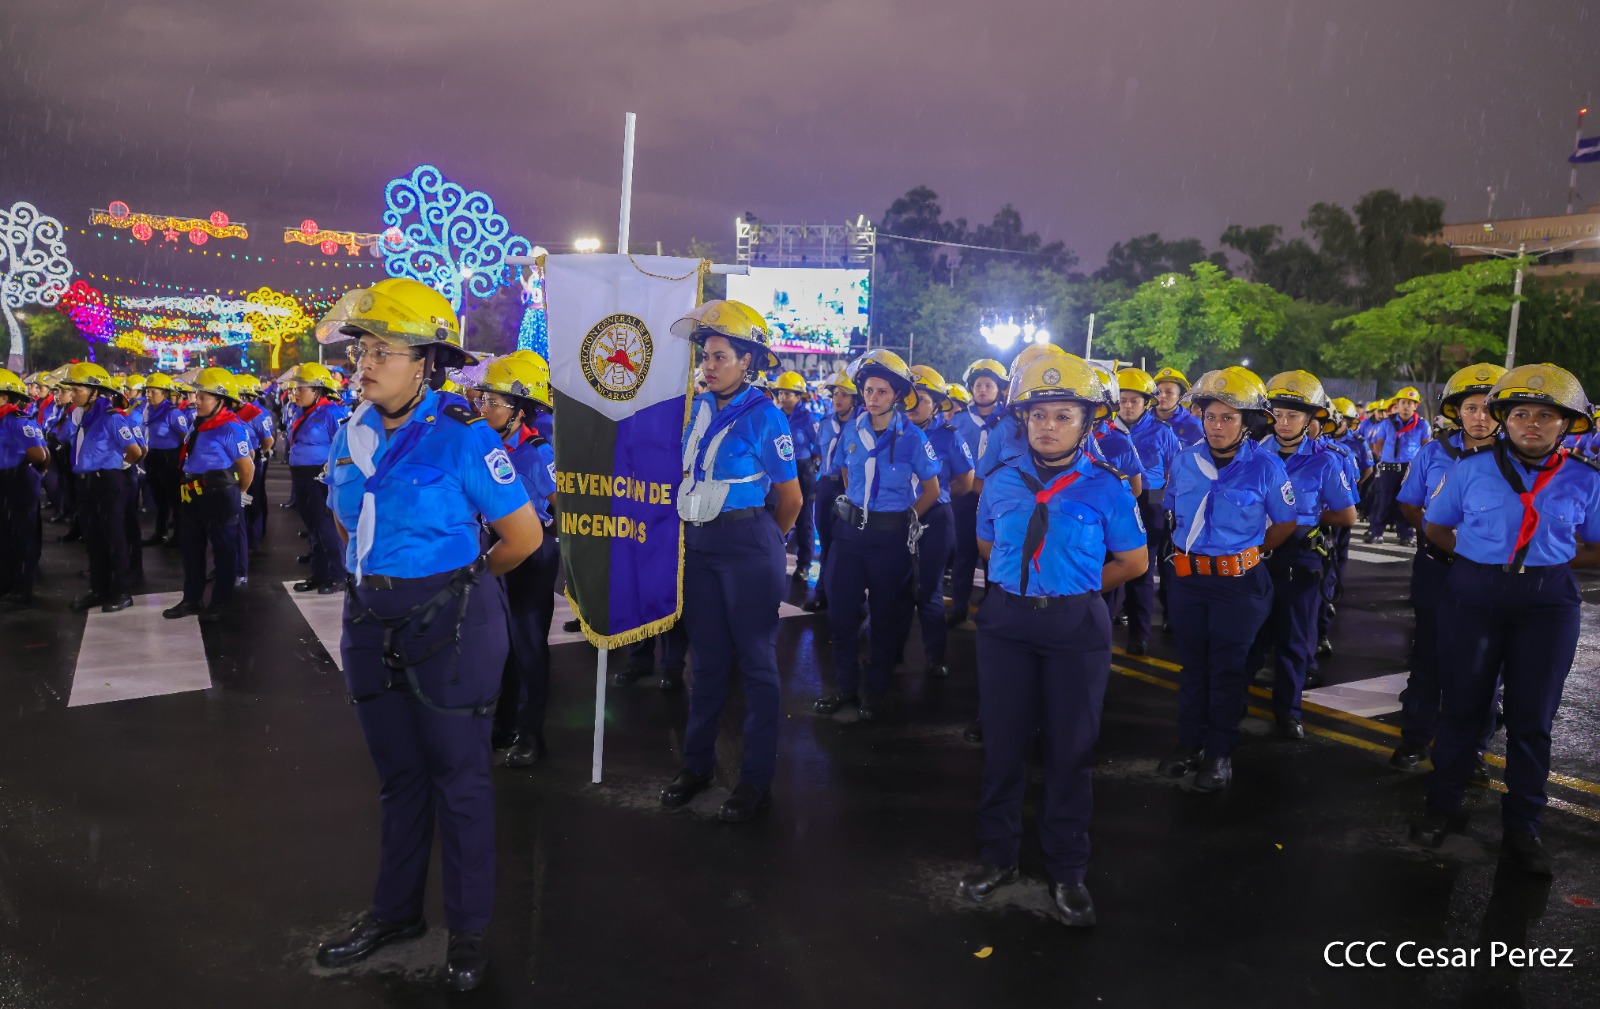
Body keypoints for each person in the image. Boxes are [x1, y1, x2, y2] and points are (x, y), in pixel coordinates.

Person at [311, 278, 540, 991]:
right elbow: (347, 521)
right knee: (398, 777)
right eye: (362, 351)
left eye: (383, 351)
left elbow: (523, 538)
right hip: (368, 619)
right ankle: (396, 912)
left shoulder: (465, 436)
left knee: (460, 780)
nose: (365, 363)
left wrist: (457, 583)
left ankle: (468, 930)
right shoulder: (350, 433)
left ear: (426, 364)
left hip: (451, 626)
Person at [956, 354, 1147, 926]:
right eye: (1038, 414)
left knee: (1070, 752)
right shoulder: (1001, 481)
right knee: (1003, 747)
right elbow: (988, 544)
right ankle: (998, 857)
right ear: (1023, 419)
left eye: (1063, 415)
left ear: (1087, 423)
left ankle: (1067, 870)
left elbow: (1134, 562)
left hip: (1075, 627)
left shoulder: (1107, 487)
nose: (1048, 425)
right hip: (1006, 625)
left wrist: (1076, 587)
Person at [1411, 363, 1600, 876]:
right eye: (1520, 414)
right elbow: (1436, 527)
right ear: (1505, 419)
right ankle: (1441, 808)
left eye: (1545, 415)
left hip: (1548, 603)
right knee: (1462, 708)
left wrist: (1546, 562)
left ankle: (1523, 828)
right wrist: (1480, 560)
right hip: (1474, 596)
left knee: (1532, 718)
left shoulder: (1586, 478)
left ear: (1567, 424)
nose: (1531, 424)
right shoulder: (1469, 470)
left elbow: (1597, 544)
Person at [661, 299, 800, 822]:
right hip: (698, 547)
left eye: (720, 357)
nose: (709, 366)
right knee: (707, 662)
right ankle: (696, 766)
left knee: (758, 665)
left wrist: (764, 544)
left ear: (748, 362)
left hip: (747, 546)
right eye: (706, 357)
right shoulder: (695, 408)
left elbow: (791, 500)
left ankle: (755, 782)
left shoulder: (766, 416)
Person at [1156, 367, 1297, 791]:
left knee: (1227, 670)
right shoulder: (1185, 460)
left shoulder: (1267, 467)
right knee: (1193, 667)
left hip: (1239, 587)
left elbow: (1285, 523)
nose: (1216, 426)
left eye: (1228, 418)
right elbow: (1171, 511)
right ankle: (1189, 743)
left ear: (1247, 423)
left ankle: (1219, 751)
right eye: (1210, 416)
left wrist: (1248, 553)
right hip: (1188, 581)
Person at [1389, 363, 1507, 772]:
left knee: (1485, 664)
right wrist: (1443, 538)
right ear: (1456, 411)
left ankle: (1473, 749)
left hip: (1490, 574)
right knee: (1428, 656)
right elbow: (1410, 503)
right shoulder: (1433, 451)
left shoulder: (1518, 457)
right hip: (1437, 568)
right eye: (1471, 408)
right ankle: (1415, 738)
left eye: (1489, 408)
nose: (1480, 417)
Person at [813, 349, 940, 721]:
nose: (872, 397)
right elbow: (847, 474)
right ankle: (845, 688)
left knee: (884, 618)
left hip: (889, 540)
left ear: (897, 395)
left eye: (882, 391)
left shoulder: (913, 437)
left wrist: (905, 519)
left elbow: (931, 490)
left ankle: (875, 692)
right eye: (868, 390)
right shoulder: (851, 430)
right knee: (841, 616)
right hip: (849, 536)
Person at [1246, 371, 1357, 738]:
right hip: (1253, 557)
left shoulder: (1326, 461)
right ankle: (1231, 707)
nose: (1283, 421)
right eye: (1277, 413)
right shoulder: (1250, 453)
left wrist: (1299, 517)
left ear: (1311, 418)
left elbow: (1347, 516)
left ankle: (1289, 712)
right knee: (1248, 637)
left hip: (1298, 558)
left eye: (1293, 415)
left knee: (1294, 641)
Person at [475, 354, 561, 769]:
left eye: (494, 402)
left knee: (527, 645)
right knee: (500, 643)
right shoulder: (483, 444)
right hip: (494, 545)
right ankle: (504, 722)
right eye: (483, 400)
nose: (484, 408)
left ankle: (530, 734)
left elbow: (564, 505)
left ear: (520, 410)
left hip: (532, 552)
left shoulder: (537, 453)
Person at [161, 369, 253, 623]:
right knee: (191, 550)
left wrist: (238, 493)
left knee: (224, 551)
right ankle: (191, 599)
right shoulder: (198, 422)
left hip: (219, 495)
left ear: (221, 401)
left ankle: (220, 602)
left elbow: (247, 468)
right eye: (196, 395)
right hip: (193, 494)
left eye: (203, 397)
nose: (196, 401)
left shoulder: (231, 428)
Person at [904, 365, 975, 678]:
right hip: (894, 519)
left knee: (928, 590)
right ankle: (888, 652)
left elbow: (965, 481)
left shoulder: (949, 437)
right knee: (892, 587)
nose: (914, 404)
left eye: (922, 399)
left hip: (934, 519)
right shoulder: (888, 432)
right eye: (910, 397)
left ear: (935, 405)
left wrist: (936, 496)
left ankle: (935, 656)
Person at [61, 363, 143, 613]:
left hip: (107, 482)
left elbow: (135, 451)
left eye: (77, 390)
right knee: (93, 538)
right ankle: (99, 589)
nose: (72, 394)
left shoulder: (112, 418)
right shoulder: (83, 416)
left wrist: (116, 465)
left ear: (95, 392)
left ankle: (121, 591)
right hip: (86, 482)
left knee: (114, 537)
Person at [1115, 367, 1182, 653]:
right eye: (1122, 400)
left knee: (1142, 570)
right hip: (1112, 505)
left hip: (1149, 506)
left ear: (1146, 403)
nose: (1127, 406)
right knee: (1108, 564)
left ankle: (1139, 635)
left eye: (1134, 400)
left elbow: (1176, 472)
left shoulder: (1163, 433)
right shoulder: (1103, 430)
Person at [948, 358, 1009, 626]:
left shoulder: (1010, 420)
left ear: (999, 389)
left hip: (998, 497)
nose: (982, 390)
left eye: (988, 385)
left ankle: (993, 607)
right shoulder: (959, 420)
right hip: (965, 496)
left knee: (995, 554)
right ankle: (958, 608)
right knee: (964, 553)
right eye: (978, 385)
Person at [285, 363, 349, 594]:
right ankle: (318, 574)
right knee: (312, 527)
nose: (296, 393)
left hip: (321, 477)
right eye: (295, 389)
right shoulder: (301, 412)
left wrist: (335, 474)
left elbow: (346, 446)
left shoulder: (332, 413)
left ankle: (338, 575)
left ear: (318, 391)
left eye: (302, 389)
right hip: (301, 476)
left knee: (326, 526)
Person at [803, 371, 860, 613]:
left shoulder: (863, 425)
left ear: (854, 399)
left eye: (844, 395)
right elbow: (817, 452)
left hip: (851, 488)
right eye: (836, 394)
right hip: (827, 485)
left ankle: (854, 600)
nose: (838, 399)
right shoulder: (825, 423)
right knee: (826, 542)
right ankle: (822, 594)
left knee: (848, 545)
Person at [0, 368, 49, 606]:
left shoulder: (17, 420)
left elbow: (40, 454)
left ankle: (23, 587)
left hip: (17, 479)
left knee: (22, 535)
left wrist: (26, 471)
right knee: (4, 534)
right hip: (5, 480)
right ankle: (6, 581)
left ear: (3, 397)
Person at [770, 370, 820, 579]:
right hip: (779, 471)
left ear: (799, 396)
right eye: (780, 393)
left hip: (802, 470)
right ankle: (775, 559)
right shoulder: (774, 415)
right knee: (777, 514)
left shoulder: (809, 418)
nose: (783, 397)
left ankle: (804, 564)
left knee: (804, 518)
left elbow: (819, 445)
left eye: (788, 393)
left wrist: (811, 464)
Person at [1367, 387, 1431, 545]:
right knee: (1383, 501)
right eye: (1403, 402)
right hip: (1389, 468)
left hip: (1410, 469)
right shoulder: (1387, 423)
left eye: (1410, 403)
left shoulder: (1422, 425)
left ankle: (1406, 535)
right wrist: (1385, 458)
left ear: (1416, 405)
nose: (1406, 406)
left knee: (1407, 503)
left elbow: (1426, 447)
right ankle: (1376, 532)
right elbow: (1378, 444)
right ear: (1398, 404)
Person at [141, 373, 190, 546]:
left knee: (175, 499)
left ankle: (179, 535)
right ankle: (160, 532)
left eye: (153, 392)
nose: (149, 395)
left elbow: (186, 438)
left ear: (165, 394)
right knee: (159, 498)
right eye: (147, 391)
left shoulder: (174, 414)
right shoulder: (147, 410)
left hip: (170, 460)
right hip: (153, 457)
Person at [233, 374, 275, 557]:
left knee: (253, 498)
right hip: (234, 461)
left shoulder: (257, 414)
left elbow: (268, 440)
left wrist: (258, 456)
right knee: (238, 500)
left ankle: (254, 536)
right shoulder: (228, 413)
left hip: (253, 459)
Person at [1150, 367, 1204, 447]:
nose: (1162, 395)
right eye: (1158, 392)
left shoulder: (1193, 425)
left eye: (1169, 392)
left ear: (1180, 397)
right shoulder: (1141, 421)